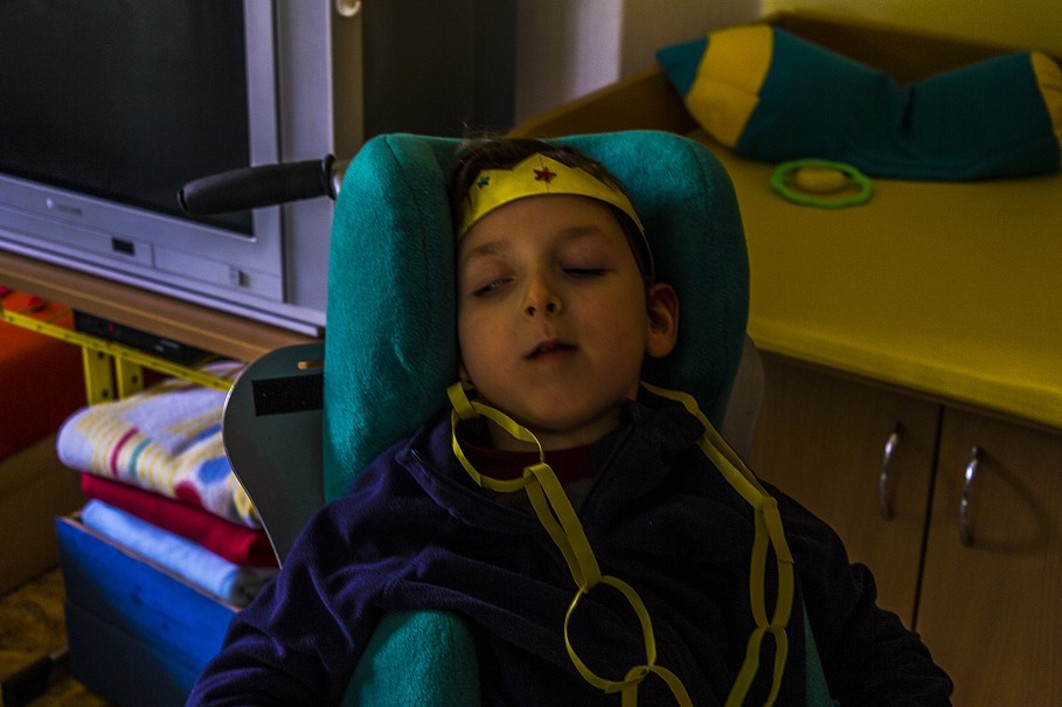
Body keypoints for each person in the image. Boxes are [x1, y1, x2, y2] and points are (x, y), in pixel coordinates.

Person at [187, 138, 952, 705]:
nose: (539, 298)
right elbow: (260, 667)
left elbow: (882, 658)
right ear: (457, 352)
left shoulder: (733, 500)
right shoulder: (400, 509)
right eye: (492, 285)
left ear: (657, 318)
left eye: (581, 268)